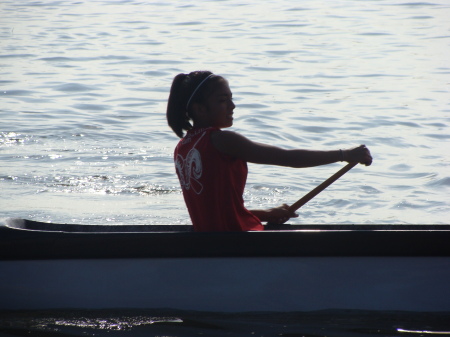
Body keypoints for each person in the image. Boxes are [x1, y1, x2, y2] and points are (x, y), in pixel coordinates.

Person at [166, 71, 372, 232]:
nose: (233, 106)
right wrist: (344, 155)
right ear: (200, 109)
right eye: (222, 100)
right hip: (235, 239)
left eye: (231, 98)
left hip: (213, 241)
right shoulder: (220, 139)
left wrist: (266, 214)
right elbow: (286, 158)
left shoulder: (183, 146)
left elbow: (216, 209)